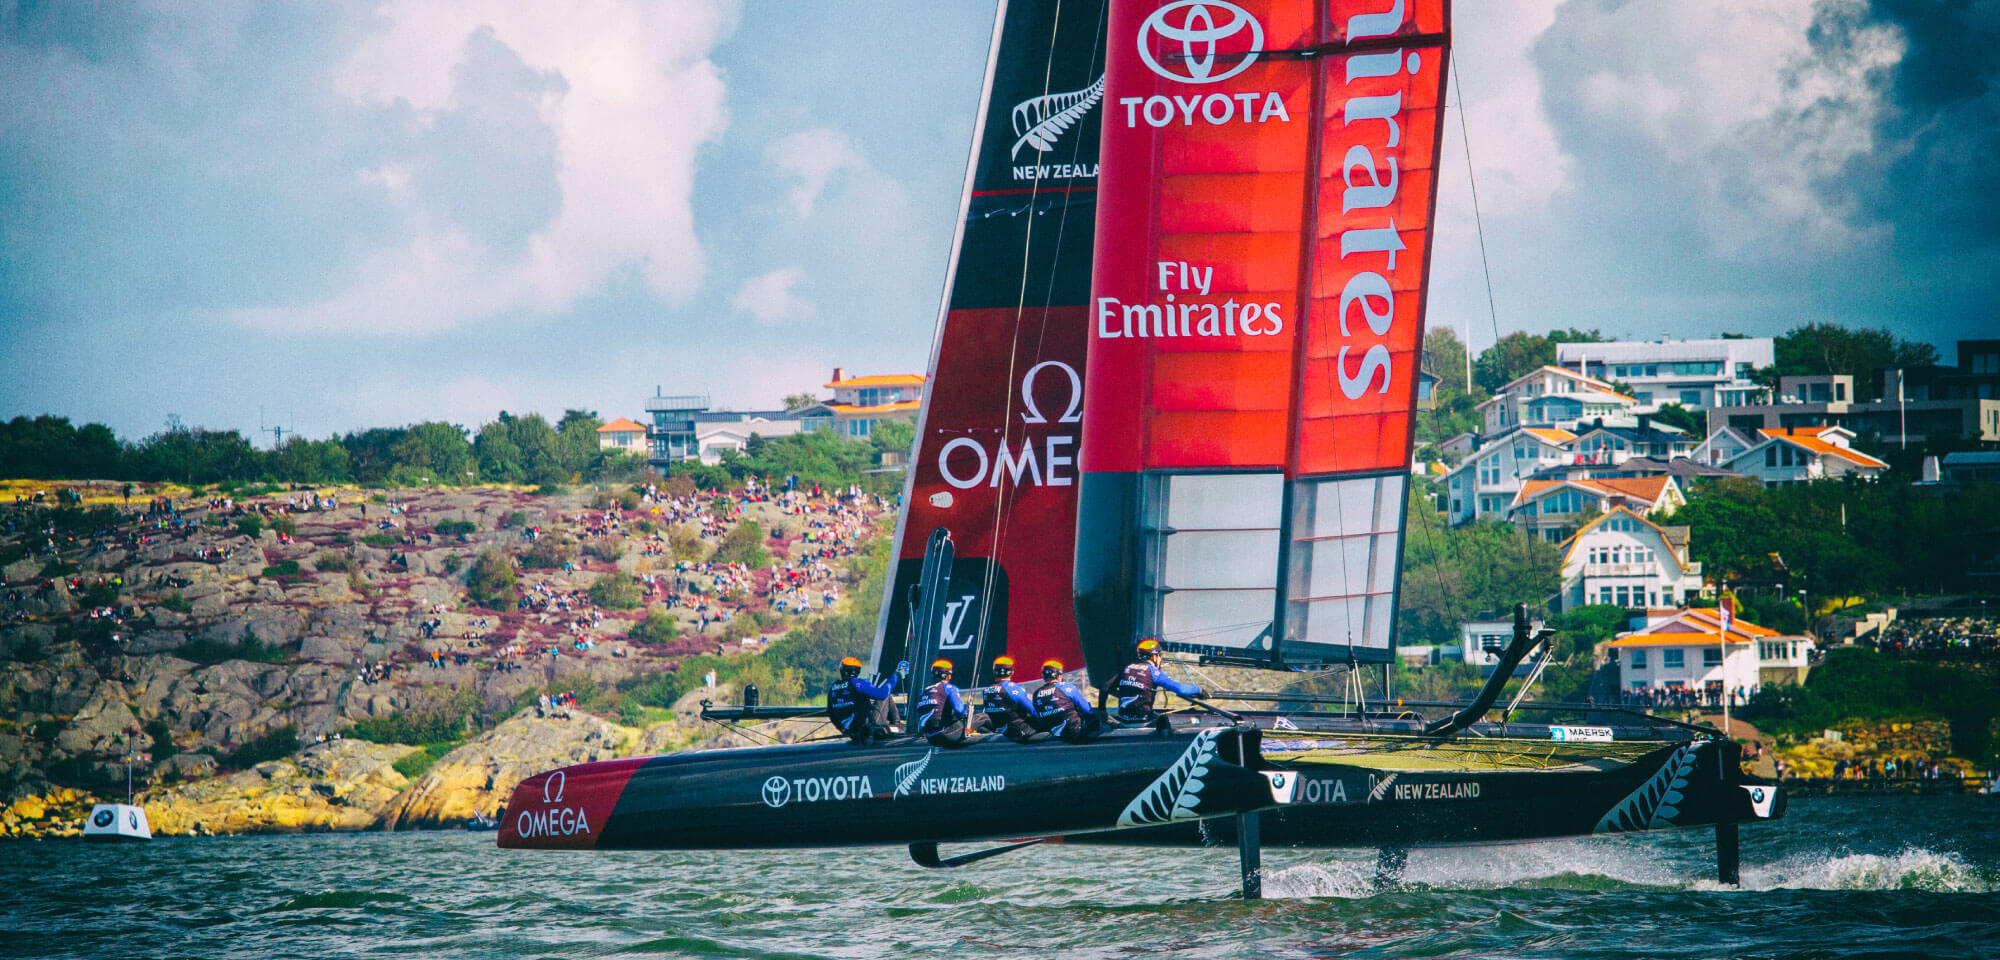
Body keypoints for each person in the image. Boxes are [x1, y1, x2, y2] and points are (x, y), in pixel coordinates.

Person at [1109, 638, 1203, 723]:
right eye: (1159, 655)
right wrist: (1198, 689)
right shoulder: (1154, 672)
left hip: (1123, 719)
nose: (1160, 658)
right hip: (1142, 720)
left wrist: (1127, 694)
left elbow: (1107, 688)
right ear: (1154, 657)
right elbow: (1181, 689)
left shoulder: (1127, 668)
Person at [826, 656, 906, 744]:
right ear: (857, 671)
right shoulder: (857, 683)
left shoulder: (833, 688)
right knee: (886, 695)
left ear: (841, 670)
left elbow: (831, 713)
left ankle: (892, 726)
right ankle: (898, 726)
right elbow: (882, 694)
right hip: (868, 728)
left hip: (852, 733)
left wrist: (844, 730)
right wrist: (896, 675)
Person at [915, 659, 984, 747]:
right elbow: (959, 711)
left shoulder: (924, 691)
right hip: (946, 735)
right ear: (948, 676)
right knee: (982, 718)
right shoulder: (949, 687)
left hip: (930, 738)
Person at [1031, 659, 1101, 743]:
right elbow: (1086, 709)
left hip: (1052, 732)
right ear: (1058, 675)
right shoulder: (1067, 687)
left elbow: (1036, 714)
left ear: (1044, 676)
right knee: (1097, 715)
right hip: (1075, 732)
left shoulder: (1036, 693)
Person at [979, 655, 1037, 742]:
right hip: (1019, 732)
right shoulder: (1015, 689)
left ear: (994, 671)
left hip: (997, 730)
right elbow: (1034, 711)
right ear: (1012, 672)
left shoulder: (986, 690)